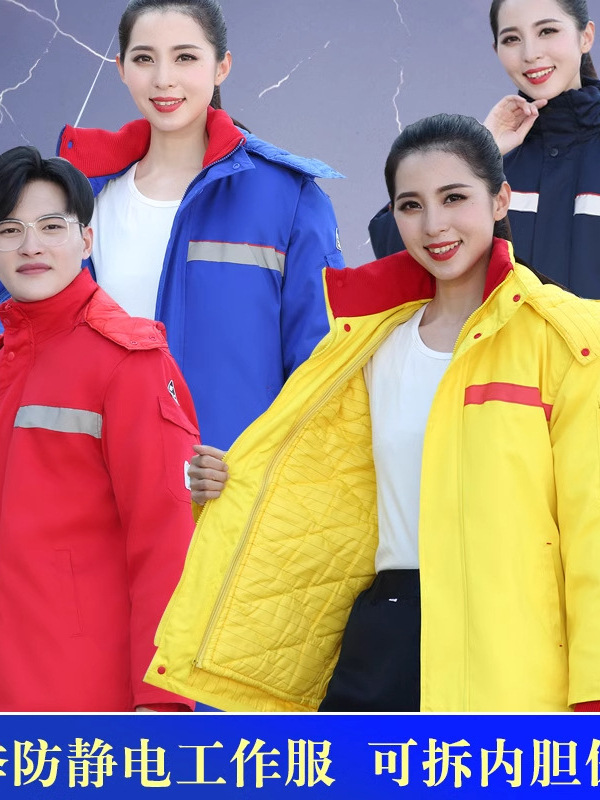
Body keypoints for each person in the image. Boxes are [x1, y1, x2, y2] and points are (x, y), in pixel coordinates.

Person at [144, 114, 600, 713]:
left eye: (454, 198)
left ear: (500, 200)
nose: (433, 224)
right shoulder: (364, 343)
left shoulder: (568, 340)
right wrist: (231, 481)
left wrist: (590, 703)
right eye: (411, 205)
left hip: (508, 647)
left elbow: (591, 539)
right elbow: (330, 495)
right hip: (384, 635)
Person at [34, 0, 344, 454]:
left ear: (222, 66)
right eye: (144, 58)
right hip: (97, 490)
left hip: (227, 496)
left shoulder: (290, 198)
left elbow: (322, 371)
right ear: (121, 68)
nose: (163, 78)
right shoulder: (76, 200)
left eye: (185, 57)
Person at [0, 145, 199, 712]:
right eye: (9, 229)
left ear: (86, 240)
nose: (30, 245)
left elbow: (169, 541)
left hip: (82, 699)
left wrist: (162, 703)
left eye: (50, 226)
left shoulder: (127, 362)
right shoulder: (9, 358)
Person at [483, 0, 599, 296]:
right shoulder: (492, 160)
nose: (530, 54)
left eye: (547, 31)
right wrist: (479, 153)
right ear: (497, 50)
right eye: (512, 39)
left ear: (585, 36)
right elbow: (402, 245)